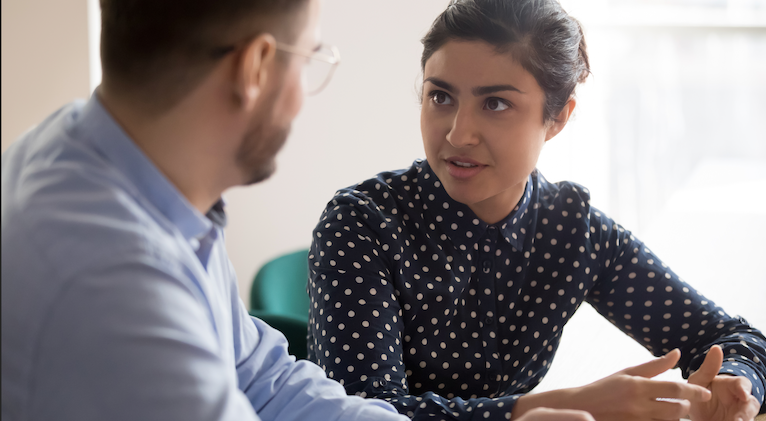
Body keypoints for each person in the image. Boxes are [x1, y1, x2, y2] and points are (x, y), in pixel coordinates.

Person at [4, 1, 590, 421]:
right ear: (256, 67)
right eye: (310, 57)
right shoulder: (112, 286)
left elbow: (264, 378)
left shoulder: (109, 169)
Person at [307, 1, 766, 421]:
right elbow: (361, 412)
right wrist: (562, 406)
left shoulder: (572, 232)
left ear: (558, 117)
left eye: (495, 103)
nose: (457, 134)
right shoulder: (361, 224)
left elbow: (734, 339)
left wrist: (737, 386)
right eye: (441, 96)